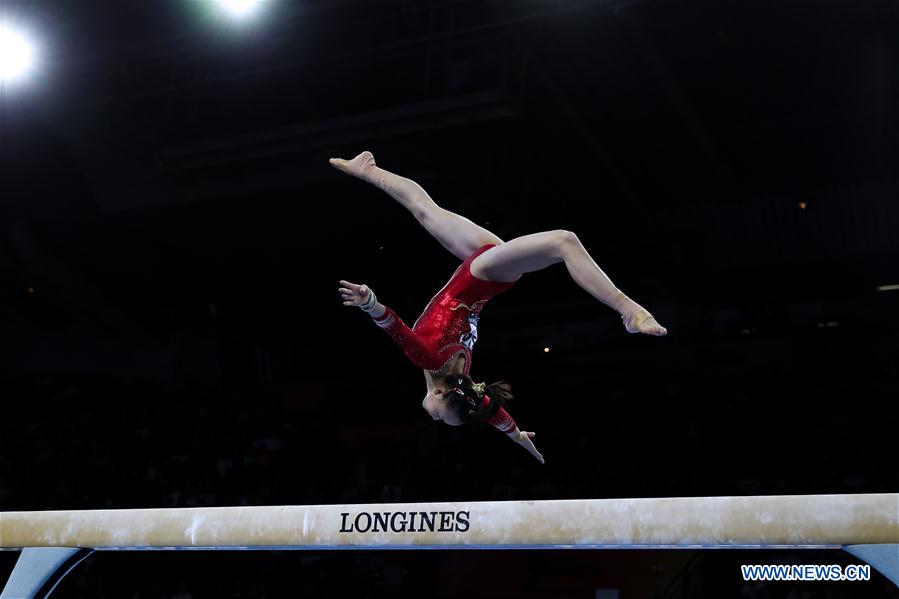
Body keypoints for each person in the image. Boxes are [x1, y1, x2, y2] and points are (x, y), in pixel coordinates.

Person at [332, 151, 666, 463]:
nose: (431, 414)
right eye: (438, 413)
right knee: (564, 241)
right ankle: (629, 309)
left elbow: (491, 412)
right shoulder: (429, 361)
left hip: (480, 264)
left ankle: (369, 170)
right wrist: (369, 303)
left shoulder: (463, 383)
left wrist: (517, 435)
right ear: (439, 393)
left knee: (424, 209)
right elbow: (395, 328)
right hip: (485, 273)